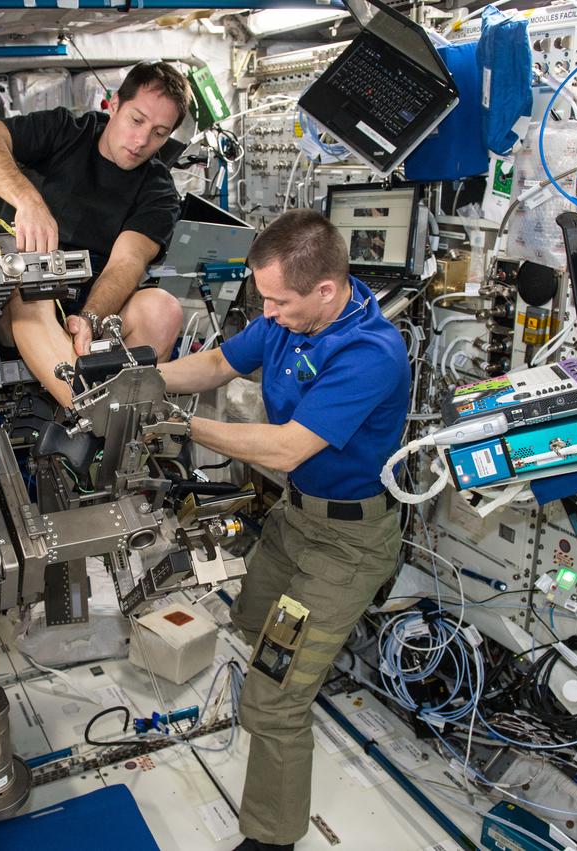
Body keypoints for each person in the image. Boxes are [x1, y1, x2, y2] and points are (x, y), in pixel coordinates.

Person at [156, 209, 410, 851]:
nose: (266, 312)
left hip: (346, 547)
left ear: (325, 290)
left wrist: (178, 427)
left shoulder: (369, 353)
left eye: (277, 300)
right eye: (262, 297)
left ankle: (271, 840)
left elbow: (287, 449)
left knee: (276, 698)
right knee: (250, 624)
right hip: (295, 520)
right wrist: (136, 384)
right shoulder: (284, 321)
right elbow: (216, 363)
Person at [0, 62, 190, 408]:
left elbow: (127, 262)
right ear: (113, 105)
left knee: (162, 308)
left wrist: (89, 318)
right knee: (35, 290)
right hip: (22, 300)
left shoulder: (158, 190)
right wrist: (29, 202)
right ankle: (95, 413)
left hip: (94, 304)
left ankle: (134, 416)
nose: (141, 141)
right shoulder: (65, 131)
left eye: (159, 133)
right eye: (136, 120)